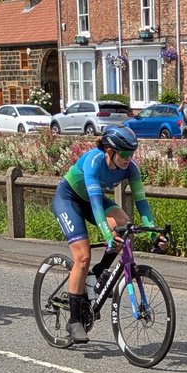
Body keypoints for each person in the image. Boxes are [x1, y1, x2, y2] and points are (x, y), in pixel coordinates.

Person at [51, 124, 165, 344]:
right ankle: (74, 320)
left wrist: (153, 234)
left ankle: (100, 272)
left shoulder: (130, 168)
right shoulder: (93, 162)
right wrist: (106, 233)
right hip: (69, 199)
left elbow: (142, 202)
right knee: (82, 256)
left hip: (91, 201)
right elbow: (95, 203)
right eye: (123, 153)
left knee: (125, 226)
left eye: (131, 153)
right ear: (109, 151)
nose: (128, 158)